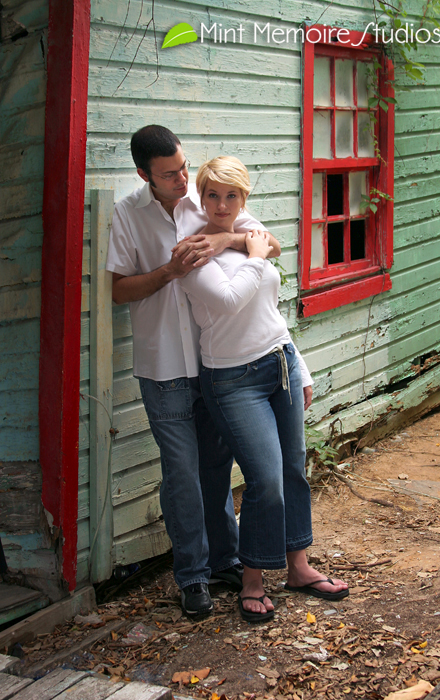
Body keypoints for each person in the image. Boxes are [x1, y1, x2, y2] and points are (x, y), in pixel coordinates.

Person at [106, 126, 281, 618]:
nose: (181, 179)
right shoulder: (128, 214)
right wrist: (170, 272)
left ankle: (225, 560)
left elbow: (270, 244)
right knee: (182, 473)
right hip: (163, 366)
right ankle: (192, 576)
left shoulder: (204, 202)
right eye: (169, 174)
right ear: (144, 175)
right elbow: (118, 291)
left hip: (215, 364)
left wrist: (225, 237)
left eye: (183, 167)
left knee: (215, 468)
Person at [179, 156, 349, 622]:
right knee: (266, 478)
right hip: (232, 378)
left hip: (281, 363)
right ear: (201, 196)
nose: (221, 205)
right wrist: (251, 254)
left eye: (231, 195)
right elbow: (230, 300)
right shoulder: (193, 250)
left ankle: (299, 567)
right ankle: (251, 579)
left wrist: (302, 366)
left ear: (244, 197)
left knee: (293, 469)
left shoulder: (245, 227)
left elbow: (270, 303)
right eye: (212, 195)